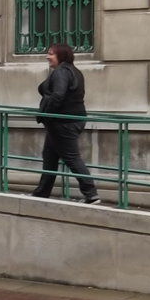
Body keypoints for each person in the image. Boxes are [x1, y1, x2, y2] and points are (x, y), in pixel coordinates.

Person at [32, 42, 100, 204]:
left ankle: (91, 193)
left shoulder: (62, 71)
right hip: (66, 121)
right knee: (49, 156)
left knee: (71, 157)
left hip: (63, 122)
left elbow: (58, 95)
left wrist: (46, 114)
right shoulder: (74, 71)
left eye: (51, 53)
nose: (47, 56)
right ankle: (41, 193)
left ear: (61, 56)